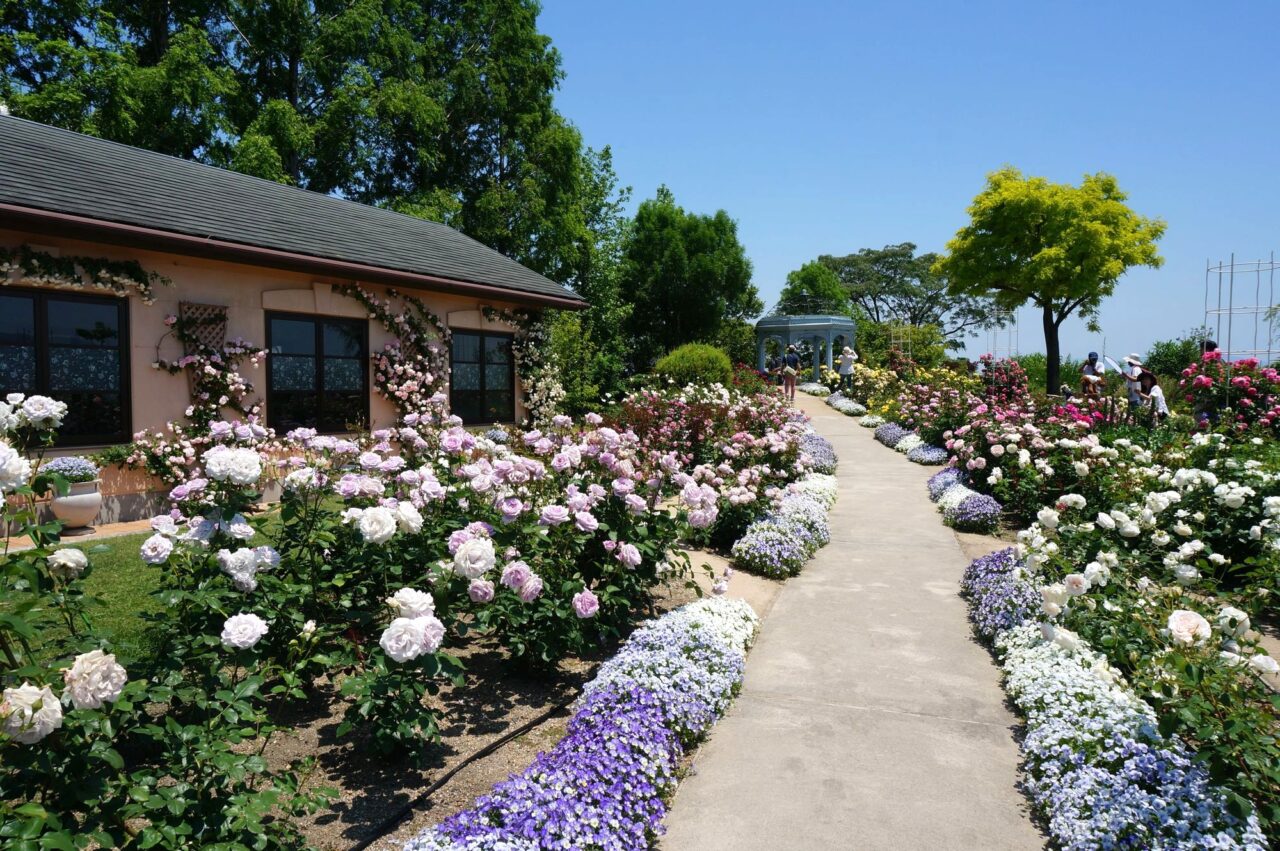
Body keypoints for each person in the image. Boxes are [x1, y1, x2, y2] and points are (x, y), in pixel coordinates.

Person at [1122, 353, 1145, 419]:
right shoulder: (1133, 369)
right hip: (1133, 395)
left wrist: (1126, 375)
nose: (1128, 362)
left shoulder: (1136, 369)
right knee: (1132, 414)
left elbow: (1136, 379)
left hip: (1135, 396)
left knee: (1135, 415)